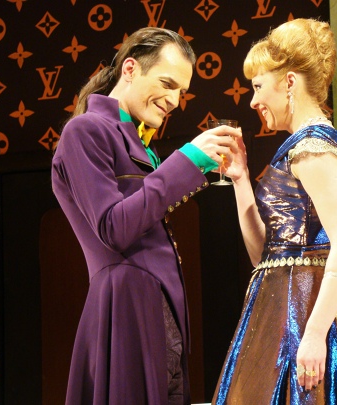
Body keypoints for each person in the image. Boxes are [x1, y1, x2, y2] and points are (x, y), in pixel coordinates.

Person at [51, 27, 240, 405]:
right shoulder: (85, 130)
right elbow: (114, 227)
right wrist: (186, 160)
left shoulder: (138, 143)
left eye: (181, 92)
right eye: (167, 84)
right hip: (125, 310)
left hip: (159, 313)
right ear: (131, 69)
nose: (174, 101)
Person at [213, 19, 337, 404]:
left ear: (289, 82)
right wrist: (241, 179)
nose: (253, 101)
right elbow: (262, 257)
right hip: (277, 310)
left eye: (258, 86)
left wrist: (313, 334)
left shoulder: (315, 148)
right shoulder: (298, 148)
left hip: (302, 312)